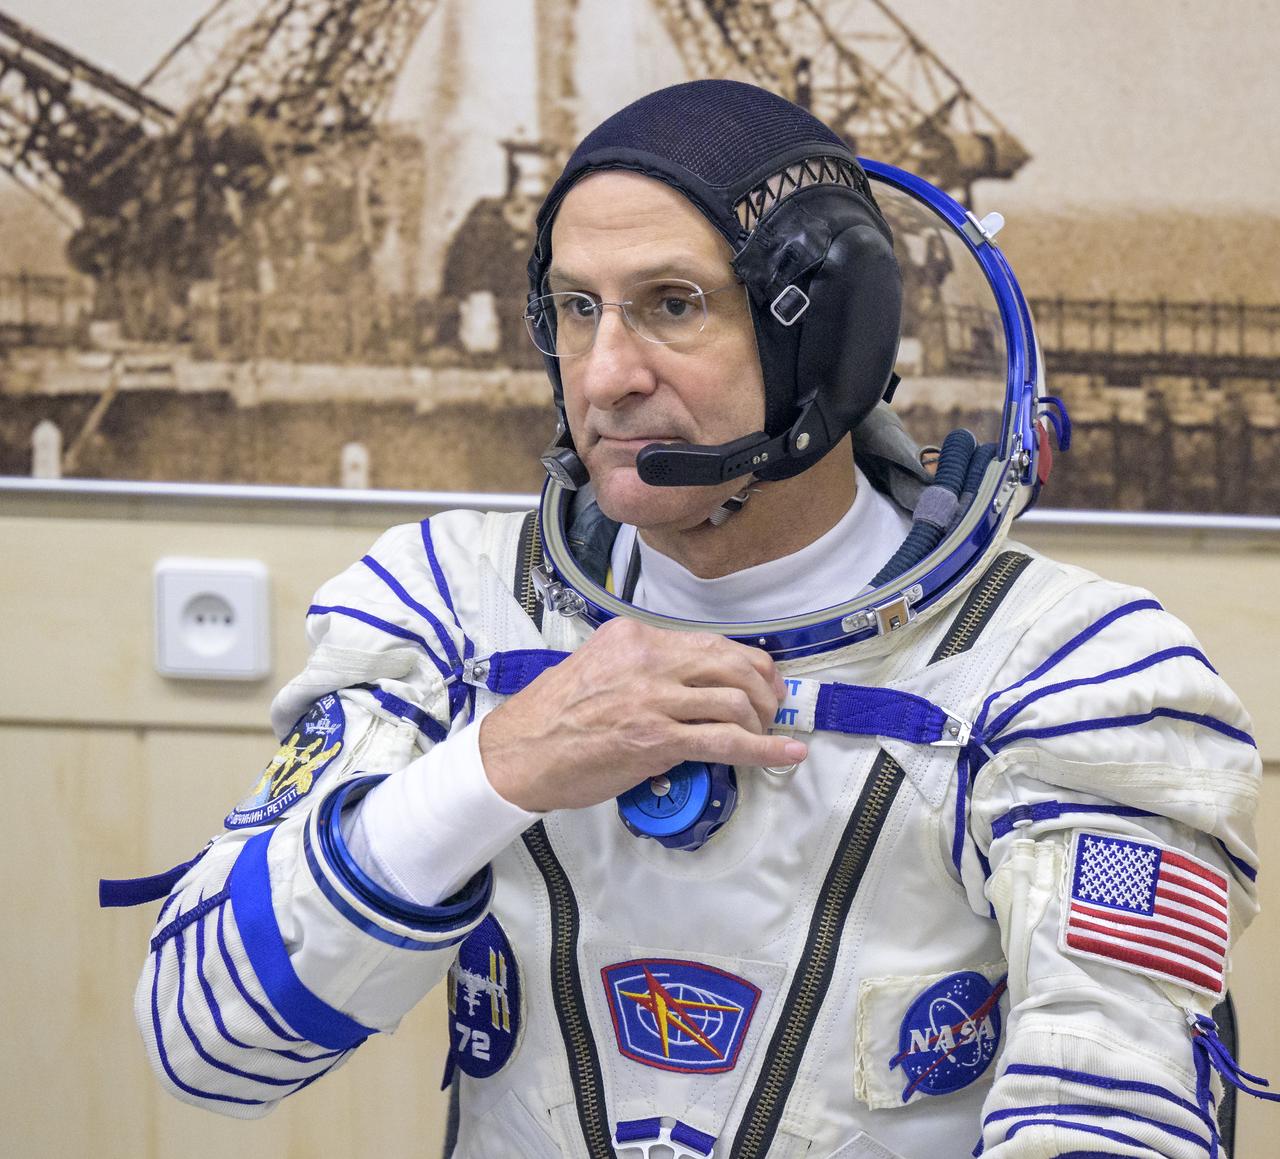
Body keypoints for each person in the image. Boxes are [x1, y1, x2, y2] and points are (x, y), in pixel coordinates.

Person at [114, 81, 1264, 1158]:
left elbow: (1113, 1124)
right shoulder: (449, 611)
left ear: (823, 336)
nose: (606, 374)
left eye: (672, 306)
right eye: (575, 309)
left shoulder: (1068, 677)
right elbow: (207, 1041)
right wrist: (495, 766)